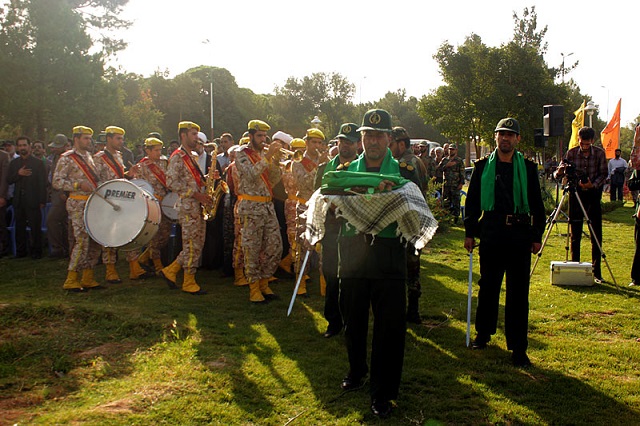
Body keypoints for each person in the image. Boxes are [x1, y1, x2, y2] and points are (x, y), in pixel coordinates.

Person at [334, 109, 425, 418]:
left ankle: (382, 392)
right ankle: (357, 371)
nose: (372, 140)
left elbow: (415, 208)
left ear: (389, 138)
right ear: (361, 138)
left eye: (378, 135)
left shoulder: (403, 172)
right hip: (354, 251)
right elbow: (333, 205)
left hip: (388, 252)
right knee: (354, 319)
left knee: (389, 327)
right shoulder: (346, 170)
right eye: (367, 135)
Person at [464, 117, 545, 367]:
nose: (505, 138)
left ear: (518, 139)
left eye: (510, 134)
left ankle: (518, 347)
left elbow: (536, 204)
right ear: (495, 137)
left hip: (519, 234)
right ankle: (483, 334)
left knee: (518, 292)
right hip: (491, 232)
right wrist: (470, 231)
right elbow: (472, 202)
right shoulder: (481, 167)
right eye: (501, 134)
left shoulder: (529, 169)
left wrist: (536, 235)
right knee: (488, 286)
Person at [314, 122, 360, 338]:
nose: (345, 146)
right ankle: (333, 322)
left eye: (350, 142)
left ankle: (352, 321)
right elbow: (316, 198)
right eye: (342, 141)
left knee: (351, 279)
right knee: (331, 277)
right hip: (331, 231)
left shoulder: (363, 169)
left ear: (358, 144)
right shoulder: (325, 169)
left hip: (355, 233)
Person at [159, 121, 212, 295]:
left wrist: (209, 178)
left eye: (197, 134)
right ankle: (188, 281)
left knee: (197, 243)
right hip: (188, 206)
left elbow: (191, 180)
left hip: (197, 205)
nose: (197, 137)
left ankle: (171, 270)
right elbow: (171, 182)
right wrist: (196, 195)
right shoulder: (177, 156)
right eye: (193, 134)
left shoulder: (191, 156)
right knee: (191, 243)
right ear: (183, 135)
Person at [234, 119, 283, 303]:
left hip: (267, 207)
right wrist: (268, 157)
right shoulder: (242, 154)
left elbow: (274, 180)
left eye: (265, 136)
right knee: (252, 249)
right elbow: (251, 175)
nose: (263, 139)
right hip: (251, 208)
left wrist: (276, 162)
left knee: (274, 247)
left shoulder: (265, 155)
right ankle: (254, 288)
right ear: (251, 136)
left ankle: (264, 282)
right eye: (260, 136)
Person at [93, 126, 149, 283]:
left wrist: (129, 174)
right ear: (108, 139)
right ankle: (110, 270)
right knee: (109, 234)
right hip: (107, 201)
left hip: (122, 199)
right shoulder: (99, 158)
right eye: (118, 138)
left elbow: (120, 176)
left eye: (121, 139)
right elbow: (95, 180)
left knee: (129, 231)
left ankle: (134, 267)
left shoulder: (119, 155)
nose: (121, 142)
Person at [554, 127, 608, 283]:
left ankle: (596, 272)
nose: (583, 146)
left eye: (586, 143)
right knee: (575, 232)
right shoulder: (571, 153)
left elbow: (604, 173)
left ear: (592, 141)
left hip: (592, 195)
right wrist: (561, 172)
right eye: (581, 142)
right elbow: (559, 171)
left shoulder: (599, 153)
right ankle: (575, 267)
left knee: (595, 232)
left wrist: (592, 184)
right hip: (575, 194)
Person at [52, 126, 103, 291]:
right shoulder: (67, 158)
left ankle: (88, 276)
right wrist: (77, 184)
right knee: (81, 241)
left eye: (89, 138)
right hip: (77, 203)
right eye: (85, 138)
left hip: (92, 203)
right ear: (76, 139)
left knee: (95, 241)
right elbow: (56, 181)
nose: (89, 141)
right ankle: (71, 277)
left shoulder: (89, 157)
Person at [390, 127, 427, 324]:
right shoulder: (417, 161)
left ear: (401, 144)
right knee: (413, 267)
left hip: (407, 223)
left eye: (391, 144)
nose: (389, 148)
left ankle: (410, 312)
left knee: (406, 268)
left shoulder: (405, 165)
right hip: (416, 221)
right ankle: (413, 311)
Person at [134, 137, 173, 274]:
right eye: (155, 150)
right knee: (155, 235)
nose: (158, 153)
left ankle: (144, 258)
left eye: (159, 150)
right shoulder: (142, 166)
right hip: (152, 203)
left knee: (165, 234)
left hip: (165, 202)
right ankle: (157, 264)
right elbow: (139, 186)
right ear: (147, 150)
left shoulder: (165, 162)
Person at [8, 136, 47, 258]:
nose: (22, 148)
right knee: (19, 227)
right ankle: (21, 252)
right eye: (20, 146)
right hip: (19, 200)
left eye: (24, 145)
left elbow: (43, 183)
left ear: (29, 147)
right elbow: (9, 180)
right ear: (17, 148)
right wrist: (18, 174)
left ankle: (36, 252)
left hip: (33, 200)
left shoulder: (38, 163)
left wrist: (42, 200)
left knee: (35, 227)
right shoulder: (14, 163)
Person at [46, 134, 71, 258]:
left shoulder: (68, 158)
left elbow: (69, 177)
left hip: (63, 194)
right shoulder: (56, 157)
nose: (54, 149)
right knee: (63, 222)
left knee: (52, 220)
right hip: (56, 193)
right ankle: (65, 248)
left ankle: (58, 248)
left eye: (57, 146)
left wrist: (63, 192)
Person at [437, 142, 465, 222]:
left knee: (456, 202)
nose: (451, 151)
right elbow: (438, 169)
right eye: (449, 149)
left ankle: (456, 219)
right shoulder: (445, 160)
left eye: (452, 149)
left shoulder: (459, 161)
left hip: (455, 185)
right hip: (446, 185)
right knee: (446, 202)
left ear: (456, 150)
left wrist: (461, 183)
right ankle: (446, 219)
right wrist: (446, 166)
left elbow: (462, 172)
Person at [0, 147, 9, 257]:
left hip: (0, 195)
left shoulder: (3, 156)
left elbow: (4, 179)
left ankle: (3, 248)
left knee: (1, 224)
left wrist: (2, 196)